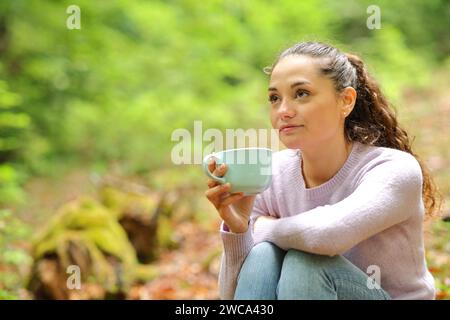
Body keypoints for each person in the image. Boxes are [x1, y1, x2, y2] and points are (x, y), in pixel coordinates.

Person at [204, 41, 442, 300]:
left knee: (305, 262)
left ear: (345, 101)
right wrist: (239, 231)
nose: (283, 111)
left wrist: (259, 228)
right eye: (274, 98)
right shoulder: (270, 173)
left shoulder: (393, 168)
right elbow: (232, 298)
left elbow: (327, 237)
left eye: (302, 93)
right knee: (262, 254)